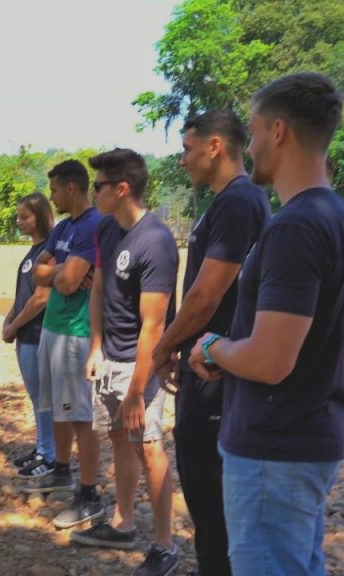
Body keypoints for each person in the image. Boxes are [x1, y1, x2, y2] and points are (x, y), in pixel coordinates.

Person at [188, 72, 344, 576]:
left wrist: (212, 348)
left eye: (253, 133)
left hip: (274, 449)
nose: (250, 146)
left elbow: (271, 360)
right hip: (309, 436)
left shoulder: (296, 226)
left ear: (278, 132)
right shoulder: (333, 215)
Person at [149, 110, 269, 576]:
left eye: (187, 148)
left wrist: (162, 347)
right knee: (204, 490)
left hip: (218, 373)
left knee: (214, 493)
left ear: (215, 146)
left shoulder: (238, 203)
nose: (182, 159)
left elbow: (205, 295)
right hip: (205, 363)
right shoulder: (225, 202)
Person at [69, 149, 180, 576]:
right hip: (109, 358)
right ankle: (123, 521)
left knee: (150, 447)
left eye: (98, 185)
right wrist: (96, 345)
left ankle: (165, 545)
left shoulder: (155, 241)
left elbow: (155, 324)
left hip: (141, 365)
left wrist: (137, 389)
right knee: (119, 438)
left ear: (121, 189)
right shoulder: (108, 231)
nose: (93, 192)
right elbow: (98, 289)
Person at [23, 160, 103, 533]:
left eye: (54, 189)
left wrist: (58, 273)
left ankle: (89, 494)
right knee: (56, 405)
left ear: (71, 188)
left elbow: (70, 283)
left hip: (77, 330)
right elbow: (39, 271)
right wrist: (60, 271)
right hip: (54, 327)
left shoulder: (91, 224)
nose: (51, 196)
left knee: (80, 415)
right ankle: (60, 469)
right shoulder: (64, 228)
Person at [3, 193, 56, 478]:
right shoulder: (32, 252)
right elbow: (23, 295)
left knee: (44, 398)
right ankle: (41, 448)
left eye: (25, 217)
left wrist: (14, 326)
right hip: (26, 335)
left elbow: (40, 298)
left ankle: (49, 455)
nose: (19, 221)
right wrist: (10, 318)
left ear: (40, 216)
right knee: (37, 398)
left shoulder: (48, 250)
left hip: (38, 335)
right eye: (18, 217)